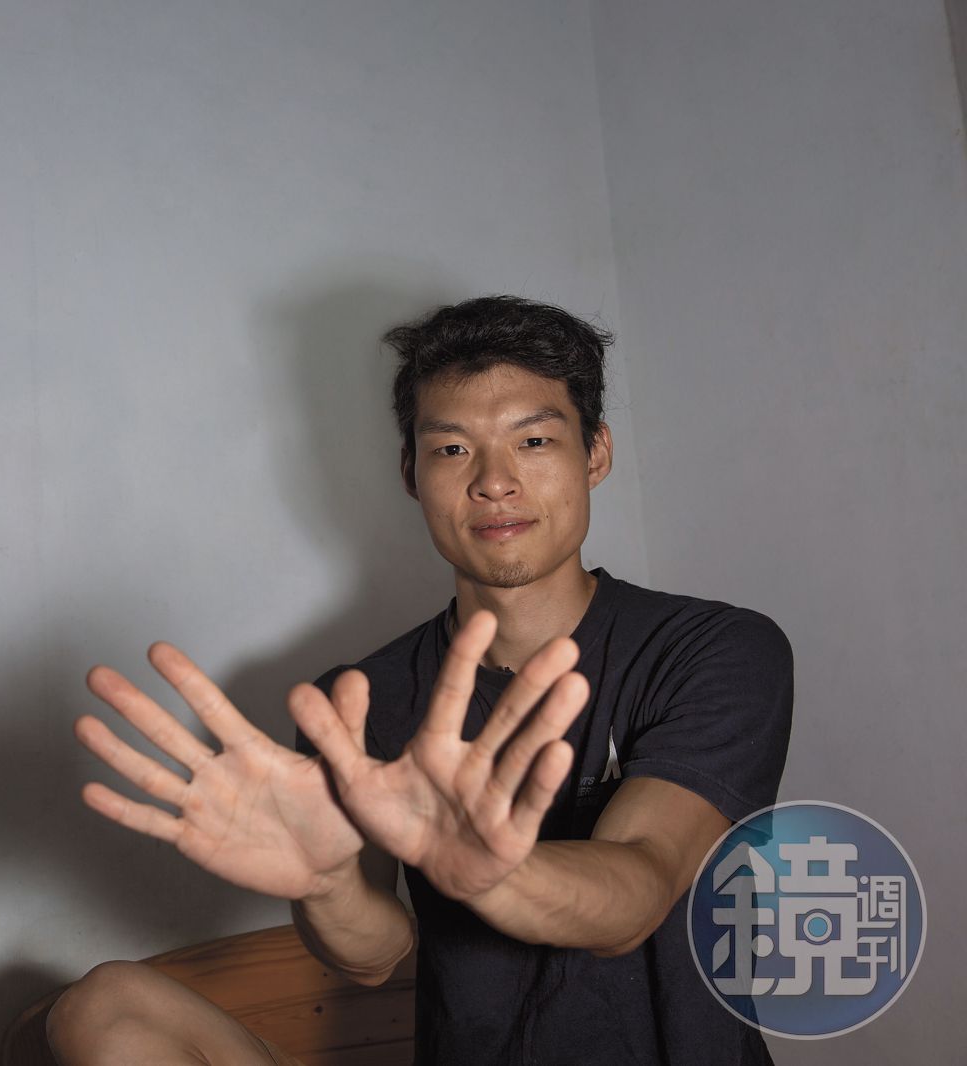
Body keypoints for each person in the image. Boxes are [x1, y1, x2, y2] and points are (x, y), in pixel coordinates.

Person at [48, 295, 793, 1065]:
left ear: (595, 453)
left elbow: (641, 885)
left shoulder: (713, 650)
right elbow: (372, 956)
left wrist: (489, 874)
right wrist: (326, 886)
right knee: (104, 1008)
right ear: (412, 472)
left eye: (534, 440)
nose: (495, 482)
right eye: (453, 449)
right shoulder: (358, 700)